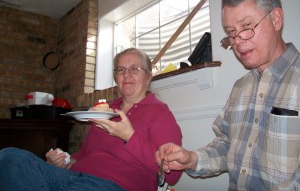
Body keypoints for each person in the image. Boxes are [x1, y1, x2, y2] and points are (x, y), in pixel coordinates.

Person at [155, 0, 300, 191]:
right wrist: (192, 159)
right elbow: (226, 146)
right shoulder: (241, 87)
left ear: (276, 19)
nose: (238, 41)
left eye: (247, 27)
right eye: (231, 32)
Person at [0, 48, 182, 191]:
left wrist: (129, 136)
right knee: (10, 157)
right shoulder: (104, 111)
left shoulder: (159, 113)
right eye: (121, 70)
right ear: (116, 77)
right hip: (73, 177)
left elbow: (172, 175)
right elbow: (84, 154)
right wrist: (64, 161)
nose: (126, 75)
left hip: (115, 184)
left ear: (148, 76)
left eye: (134, 69)